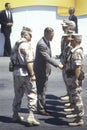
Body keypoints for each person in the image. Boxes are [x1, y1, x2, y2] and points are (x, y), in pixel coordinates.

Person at [10, 27, 40, 125]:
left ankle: (15, 115)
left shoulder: (15, 44)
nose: (31, 37)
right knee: (32, 93)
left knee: (18, 94)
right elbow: (29, 62)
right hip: (26, 73)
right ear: (26, 35)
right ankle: (31, 116)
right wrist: (32, 74)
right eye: (30, 35)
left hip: (16, 72)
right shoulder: (27, 45)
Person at [34, 27, 63, 116]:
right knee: (40, 90)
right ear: (47, 34)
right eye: (52, 35)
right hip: (40, 71)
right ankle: (41, 109)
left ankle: (43, 107)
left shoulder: (46, 42)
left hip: (44, 70)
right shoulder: (41, 44)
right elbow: (47, 57)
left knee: (43, 90)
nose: (53, 37)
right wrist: (58, 64)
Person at [63, 34, 84, 126]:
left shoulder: (77, 51)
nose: (70, 41)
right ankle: (76, 114)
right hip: (71, 77)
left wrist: (75, 79)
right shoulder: (73, 50)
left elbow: (77, 67)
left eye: (72, 40)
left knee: (77, 98)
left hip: (74, 78)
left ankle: (79, 119)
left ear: (76, 40)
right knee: (74, 96)